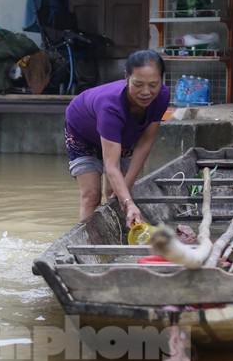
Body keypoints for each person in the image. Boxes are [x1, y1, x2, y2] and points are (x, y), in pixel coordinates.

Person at [64, 49, 170, 227]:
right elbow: (111, 165)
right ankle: (89, 242)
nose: (146, 92)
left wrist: (126, 189)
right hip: (82, 133)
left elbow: (144, 143)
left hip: (123, 135)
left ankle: (118, 231)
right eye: (138, 84)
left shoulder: (162, 97)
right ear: (126, 77)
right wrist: (128, 203)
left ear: (161, 80)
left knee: (117, 190)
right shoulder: (110, 106)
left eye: (153, 85)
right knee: (91, 195)